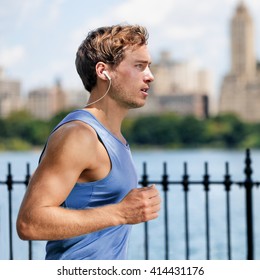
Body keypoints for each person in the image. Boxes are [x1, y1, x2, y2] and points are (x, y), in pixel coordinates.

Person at [16, 24, 161, 260]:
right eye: (139, 66)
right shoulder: (79, 134)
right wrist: (122, 213)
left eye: (148, 66)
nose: (150, 76)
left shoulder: (116, 138)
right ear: (104, 71)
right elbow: (30, 223)